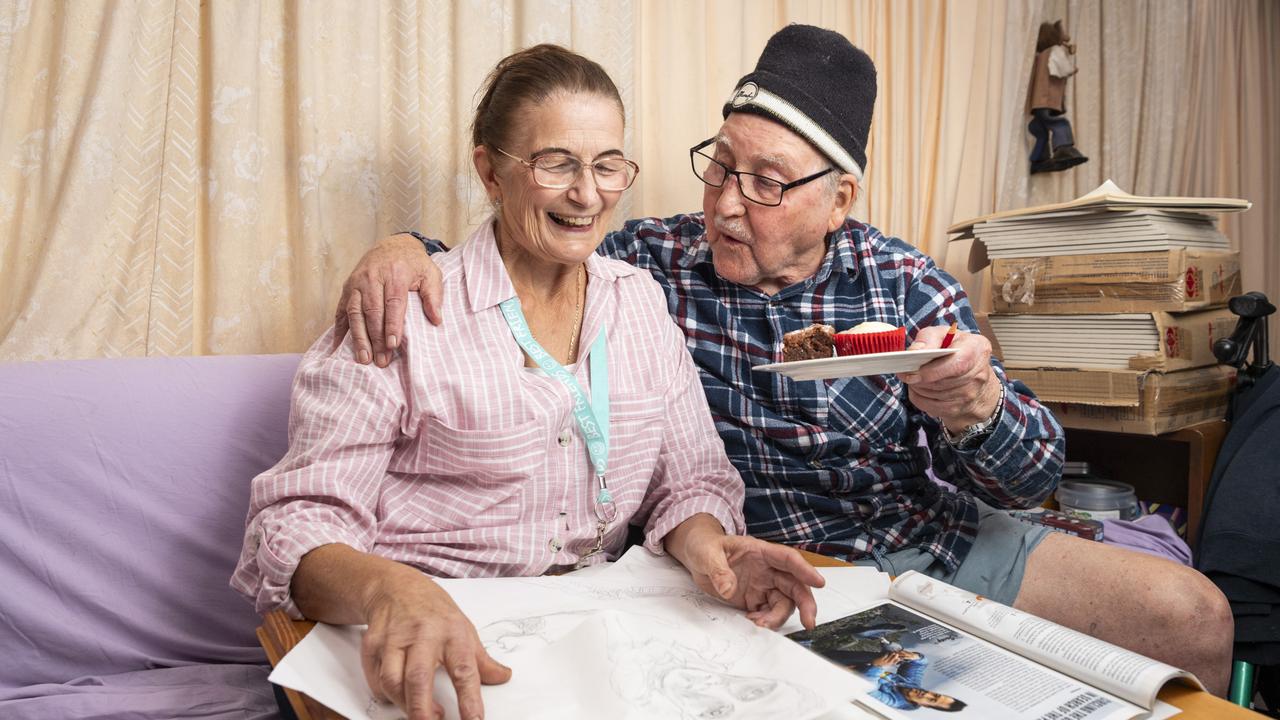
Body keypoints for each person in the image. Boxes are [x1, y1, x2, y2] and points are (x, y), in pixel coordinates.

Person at [335, 25, 1234, 694]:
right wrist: (402, 247)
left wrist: (977, 409)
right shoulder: (648, 264)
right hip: (763, 562)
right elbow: (526, 246)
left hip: (926, 539)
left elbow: (1029, 478)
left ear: (839, 197)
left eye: (766, 183)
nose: (726, 204)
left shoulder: (904, 287)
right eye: (719, 166)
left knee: (1191, 613)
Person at [232, 44, 827, 720]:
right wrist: (386, 589)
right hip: (414, 636)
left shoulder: (638, 303)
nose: (587, 193)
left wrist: (710, 550)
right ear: (491, 171)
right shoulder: (403, 307)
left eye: (607, 166)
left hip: (582, 637)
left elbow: (689, 478)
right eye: (556, 163)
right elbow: (290, 524)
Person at [1026, 20, 1088, 174]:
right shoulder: (1055, 51)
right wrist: (1072, 66)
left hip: (1038, 103)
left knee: (1040, 130)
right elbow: (1063, 69)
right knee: (1060, 124)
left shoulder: (1040, 56)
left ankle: (1038, 159)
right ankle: (1063, 148)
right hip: (1046, 101)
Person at [840, 649, 967, 713]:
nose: (926, 694)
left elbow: (869, 690)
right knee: (891, 654)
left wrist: (877, 666)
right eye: (935, 694)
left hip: (841, 679)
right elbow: (919, 666)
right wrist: (915, 657)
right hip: (856, 667)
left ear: (925, 705)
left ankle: (827, 656)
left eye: (931, 700)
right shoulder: (913, 686)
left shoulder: (895, 702)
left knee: (875, 661)